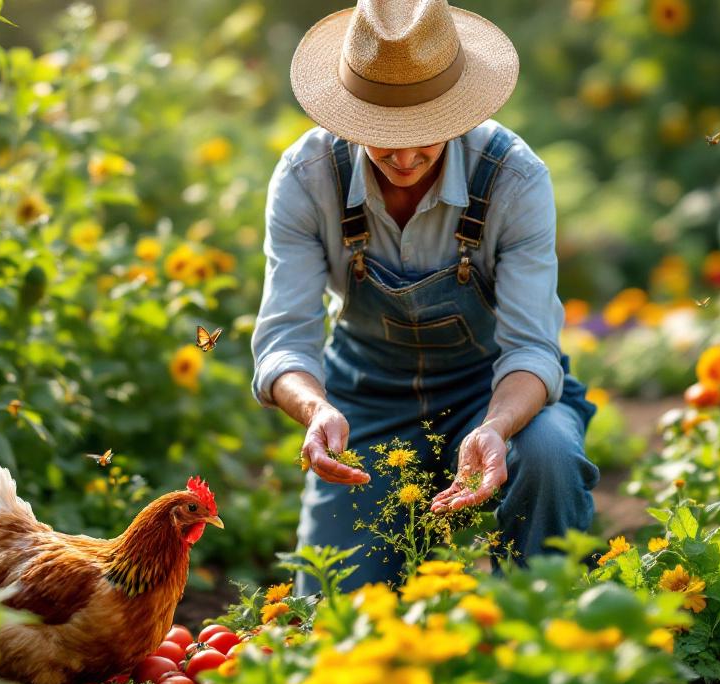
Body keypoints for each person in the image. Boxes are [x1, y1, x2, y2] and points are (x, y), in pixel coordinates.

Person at [251, 0, 600, 595]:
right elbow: (284, 338)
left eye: (426, 134)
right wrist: (316, 411)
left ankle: (553, 629)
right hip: (366, 405)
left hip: (495, 395)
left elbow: (532, 350)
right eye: (384, 137)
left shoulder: (512, 179)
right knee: (336, 619)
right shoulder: (307, 177)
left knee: (547, 457)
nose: (406, 157)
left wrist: (495, 426)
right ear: (349, 114)